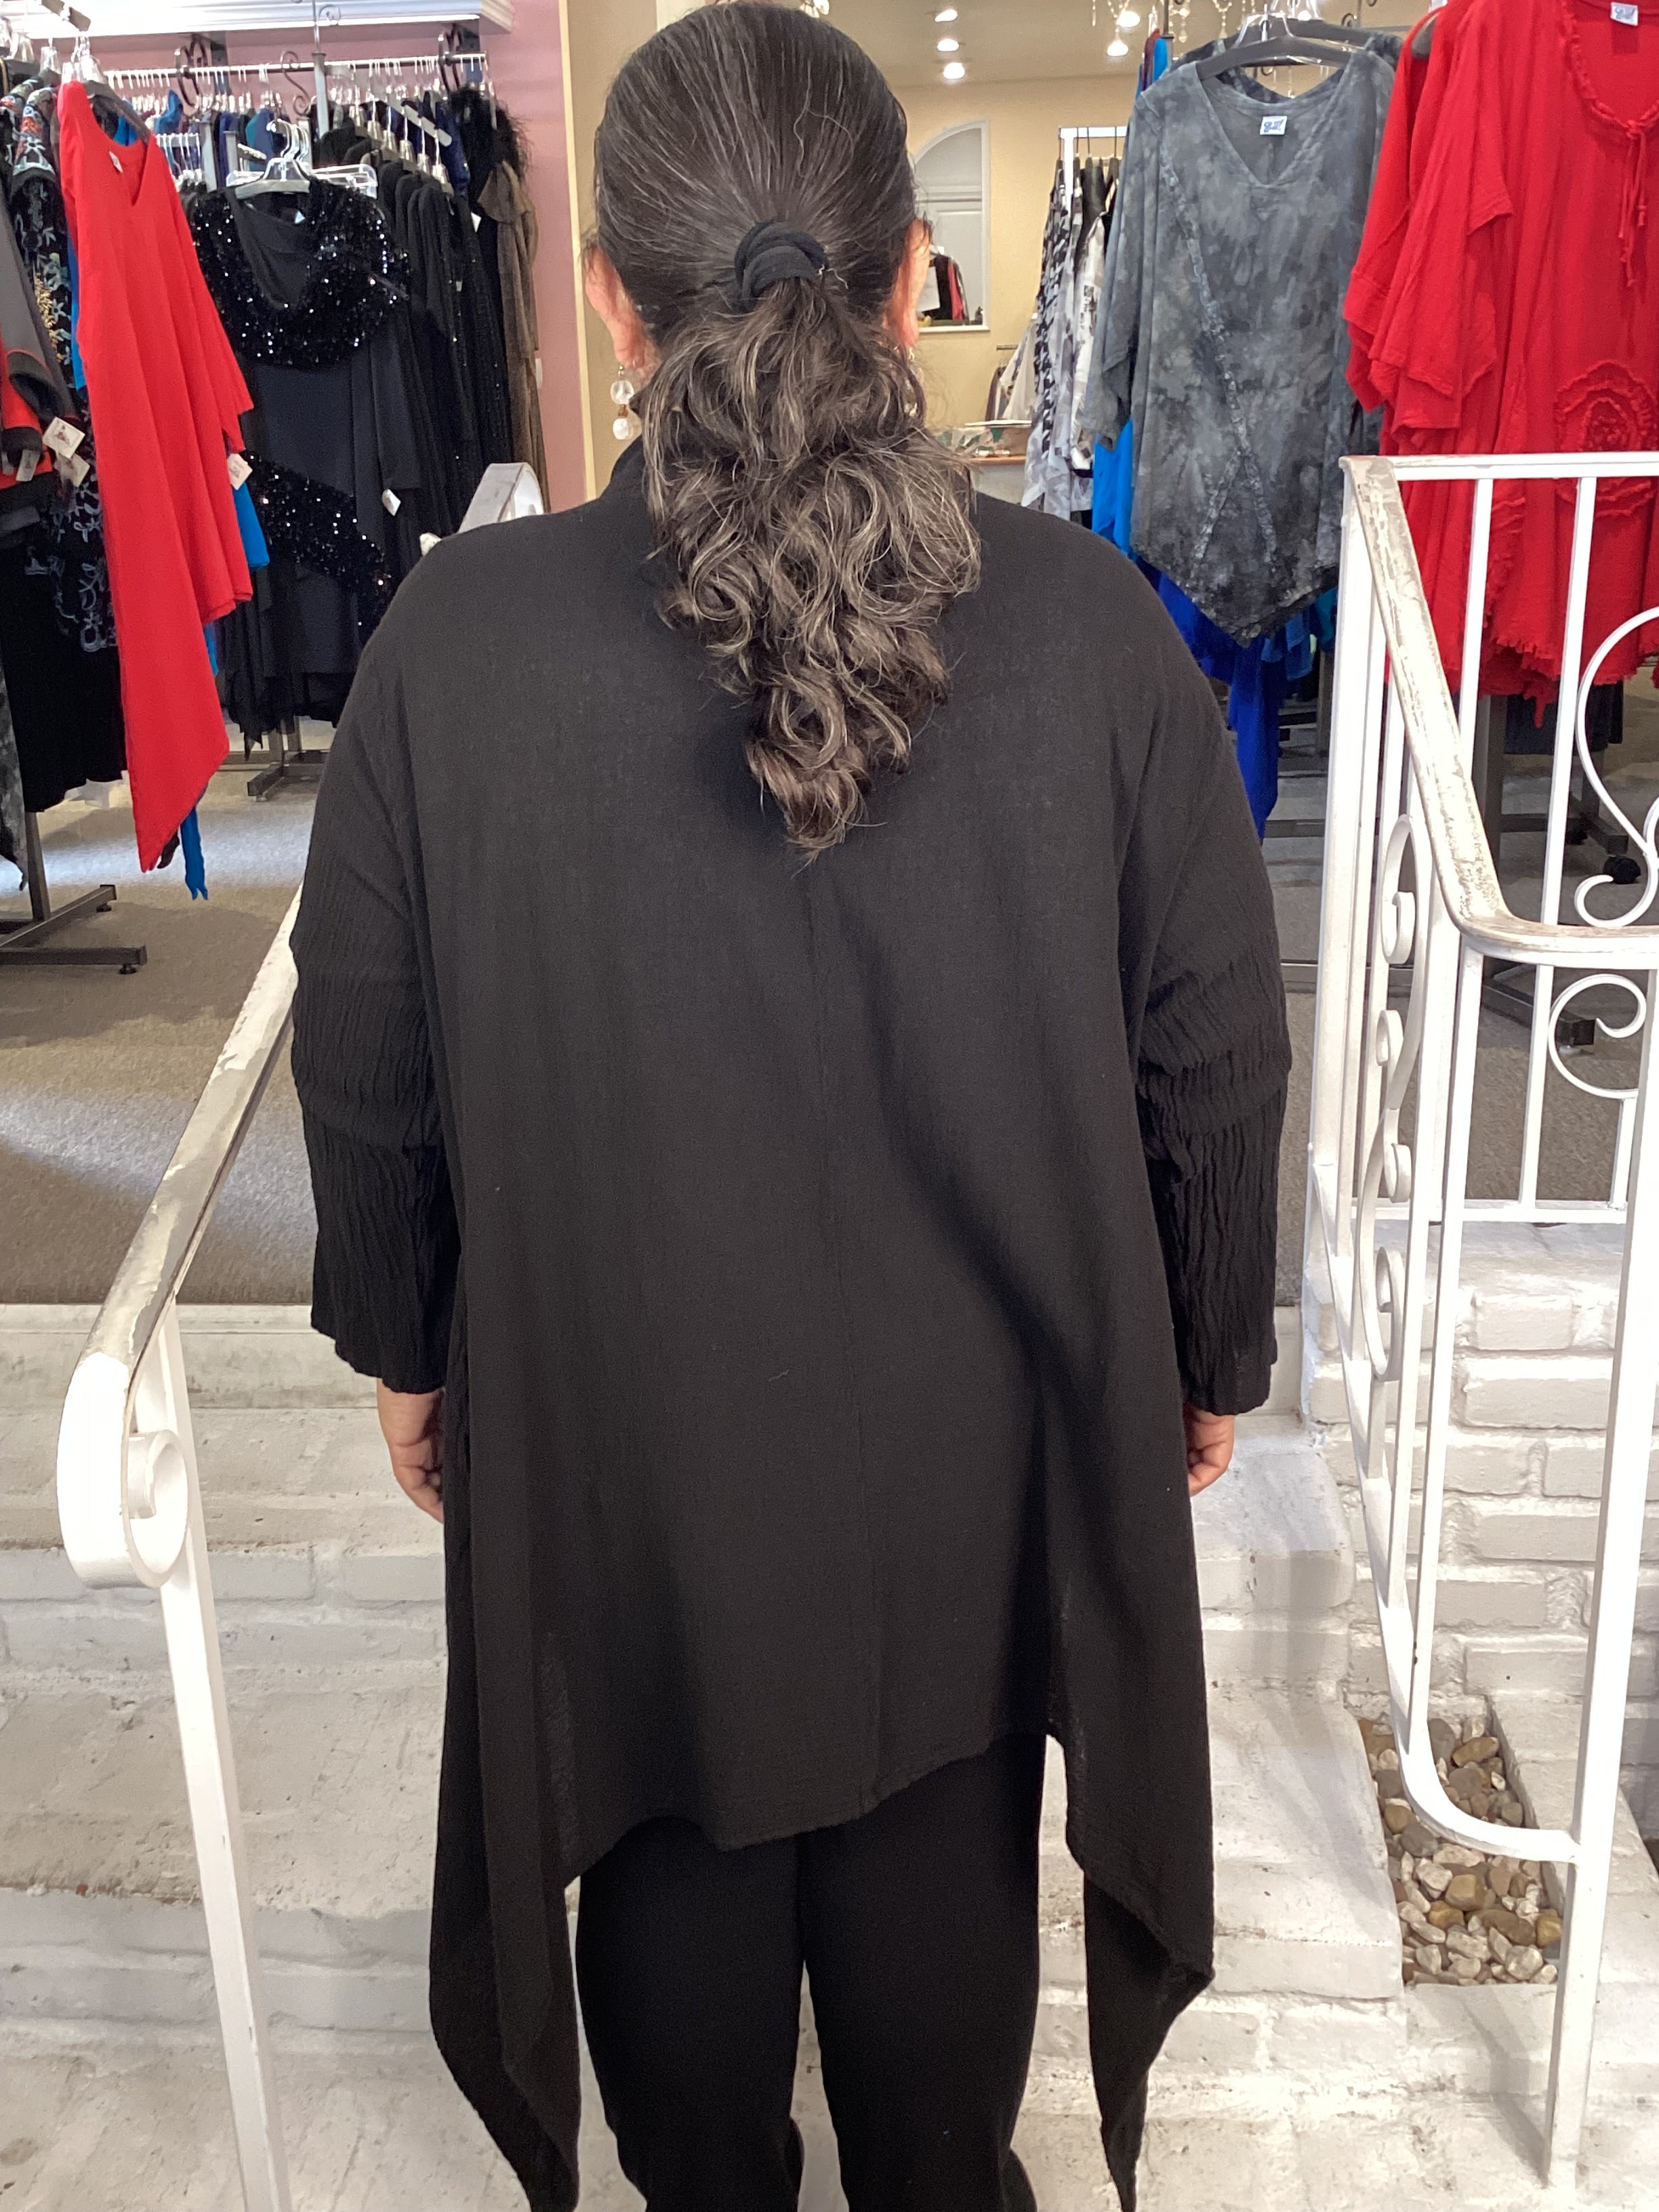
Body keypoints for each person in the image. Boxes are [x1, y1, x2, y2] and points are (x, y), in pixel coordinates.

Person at [291, 7, 1290, 2209]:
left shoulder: (451, 652)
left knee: (671, 1929)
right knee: (949, 1981)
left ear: (607, 302)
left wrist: (411, 1342)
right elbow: (1215, 1039)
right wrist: (1209, 1344)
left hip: (632, 1453)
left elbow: (365, 1051)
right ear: (909, 277)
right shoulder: (1092, 632)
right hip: (978, 1453)